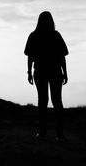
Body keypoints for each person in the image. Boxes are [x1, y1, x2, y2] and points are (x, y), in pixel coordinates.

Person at [24, 11, 69, 140]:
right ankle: (59, 134)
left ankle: (43, 133)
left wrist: (29, 72)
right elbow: (62, 57)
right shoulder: (55, 35)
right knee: (57, 101)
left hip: (40, 72)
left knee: (43, 102)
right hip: (54, 72)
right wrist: (65, 72)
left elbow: (30, 57)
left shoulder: (34, 36)